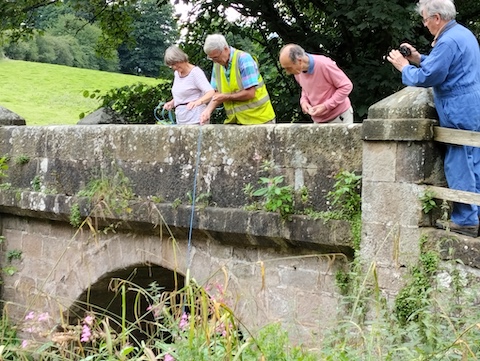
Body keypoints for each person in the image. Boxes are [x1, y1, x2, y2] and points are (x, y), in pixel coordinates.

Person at [387, 0, 480, 237]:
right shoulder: (463, 34)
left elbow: (429, 77)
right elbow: (447, 66)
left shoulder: (447, 40)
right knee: (473, 158)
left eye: (425, 19)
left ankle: (466, 219)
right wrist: (419, 58)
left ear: (437, 18)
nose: (424, 23)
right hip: (471, 104)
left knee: (458, 160)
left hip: (456, 107)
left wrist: (404, 67)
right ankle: (475, 213)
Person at [200, 34, 276, 125]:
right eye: (211, 58)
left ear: (225, 49)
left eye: (216, 57)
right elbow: (216, 93)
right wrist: (208, 111)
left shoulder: (244, 59)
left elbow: (250, 93)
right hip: (236, 122)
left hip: (260, 119)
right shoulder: (217, 65)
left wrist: (227, 96)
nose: (215, 61)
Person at [279, 44, 354, 124]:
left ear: (299, 61)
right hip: (318, 120)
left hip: (339, 116)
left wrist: (326, 106)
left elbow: (346, 86)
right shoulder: (298, 72)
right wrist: (304, 101)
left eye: (288, 68)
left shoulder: (324, 64)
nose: (287, 72)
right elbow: (305, 89)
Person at [163, 45, 215, 125]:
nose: (174, 67)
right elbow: (183, 94)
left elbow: (210, 92)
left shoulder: (195, 73)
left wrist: (197, 102)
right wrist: (172, 103)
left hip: (196, 119)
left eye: (175, 64)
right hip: (181, 120)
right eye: (171, 65)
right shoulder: (177, 74)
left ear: (181, 59)